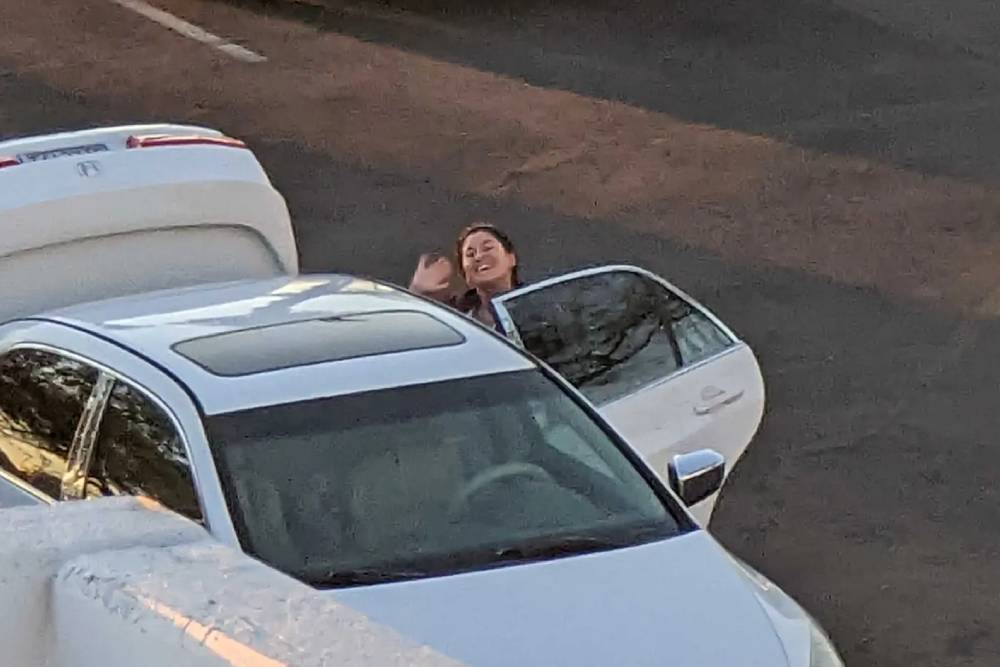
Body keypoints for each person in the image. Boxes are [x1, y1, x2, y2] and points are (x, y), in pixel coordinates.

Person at [409, 222, 521, 329]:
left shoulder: (534, 306)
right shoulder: (454, 318)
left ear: (511, 258)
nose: (478, 257)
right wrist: (417, 294)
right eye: (470, 254)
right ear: (466, 276)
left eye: (487, 248)